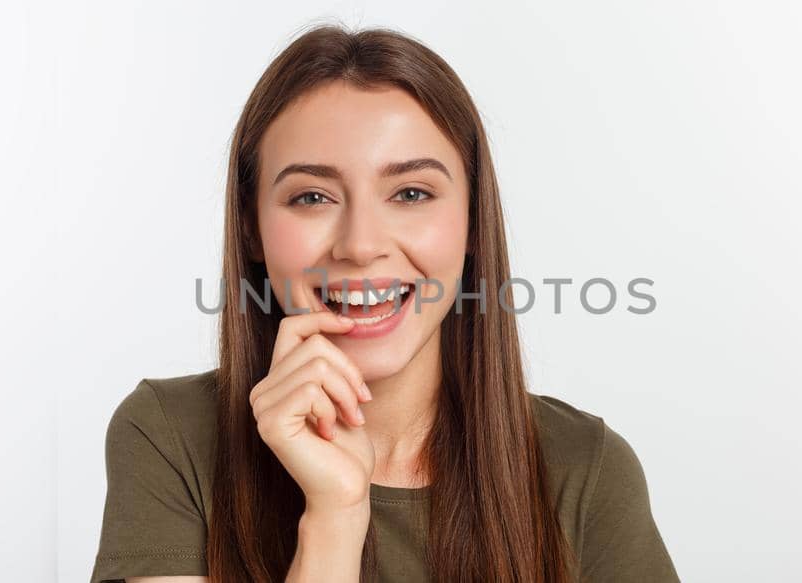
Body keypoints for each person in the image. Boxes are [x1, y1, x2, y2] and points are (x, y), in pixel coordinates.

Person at [91, 24, 678, 583]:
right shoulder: (170, 436)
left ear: (473, 221)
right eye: (313, 196)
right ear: (251, 227)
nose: (361, 245)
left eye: (412, 193)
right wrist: (335, 517)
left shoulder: (584, 468)